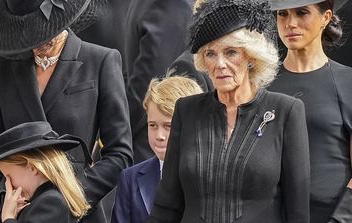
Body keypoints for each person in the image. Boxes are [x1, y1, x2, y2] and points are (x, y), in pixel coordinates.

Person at [0, 0, 133, 222]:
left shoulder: (100, 60)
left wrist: (68, 196)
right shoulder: (2, 64)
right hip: (14, 212)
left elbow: (120, 154)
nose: (38, 40)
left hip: (76, 212)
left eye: (42, 28)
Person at [148, 0, 311, 222]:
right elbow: (167, 204)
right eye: (211, 54)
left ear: (251, 57)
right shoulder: (187, 111)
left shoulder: (285, 112)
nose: (220, 64)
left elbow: (298, 212)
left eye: (231, 52)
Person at [267, 0, 352, 222]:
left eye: (302, 12)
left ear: (326, 17)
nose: (290, 23)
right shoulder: (260, 85)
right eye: (282, 14)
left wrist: (340, 219)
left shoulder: (347, 82)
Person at [111, 76, 203, 223]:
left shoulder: (214, 176)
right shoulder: (130, 179)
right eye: (152, 125)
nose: (159, 136)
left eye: (168, 126)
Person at [125, 0, 194, 163]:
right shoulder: (167, 4)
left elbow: (149, 83)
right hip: (146, 140)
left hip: (149, 138)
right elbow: (147, 82)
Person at [0, 121, 89, 223]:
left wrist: (8, 218)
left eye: (9, 176)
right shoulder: (40, 201)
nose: (8, 185)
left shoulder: (50, 203)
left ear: (32, 168)